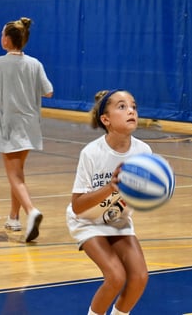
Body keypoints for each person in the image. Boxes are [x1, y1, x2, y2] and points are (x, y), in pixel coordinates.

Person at [66, 89, 150, 315]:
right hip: (87, 219)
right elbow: (77, 205)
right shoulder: (91, 153)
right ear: (106, 119)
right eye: (122, 107)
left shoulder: (144, 151)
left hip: (117, 218)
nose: (131, 110)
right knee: (115, 276)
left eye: (133, 106)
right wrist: (111, 187)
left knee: (140, 277)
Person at [0, 17, 53, 243]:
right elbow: (48, 91)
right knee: (18, 173)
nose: (1, 38)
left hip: (9, 125)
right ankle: (14, 217)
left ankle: (31, 211)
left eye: (3, 34)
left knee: (14, 175)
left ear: (8, 40)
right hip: (30, 125)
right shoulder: (35, 63)